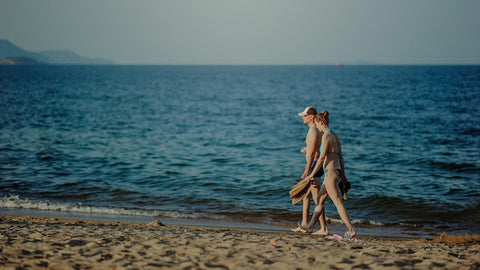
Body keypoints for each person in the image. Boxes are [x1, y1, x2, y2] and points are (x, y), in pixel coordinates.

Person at [301, 110, 356, 238]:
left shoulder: (326, 136)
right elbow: (341, 157)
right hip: (334, 172)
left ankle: (351, 230)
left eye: (317, 124)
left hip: (330, 174)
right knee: (319, 201)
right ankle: (309, 227)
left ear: (320, 122)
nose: (317, 128)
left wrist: (311, 174)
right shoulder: (334, 135)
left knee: (338, 202)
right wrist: (343, 175)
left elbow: (321, 159)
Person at [290, 106, 328, 235]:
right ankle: (305, 224)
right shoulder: (318, 131)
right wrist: (306, 149)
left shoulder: (312, 131)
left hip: (313, 168)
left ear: (311, 117)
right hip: (317, 166)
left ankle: (323, 228)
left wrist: (307, 171)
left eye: (304, 115)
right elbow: (316, 149)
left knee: (317, 198)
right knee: (306, 196)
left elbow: (312, 154)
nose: (302, 117)